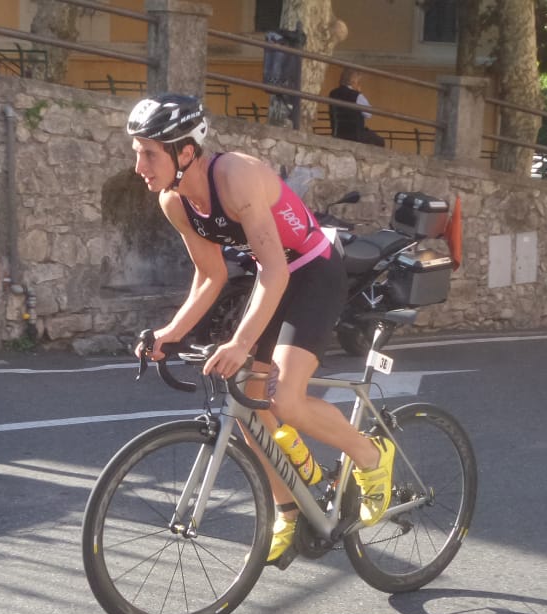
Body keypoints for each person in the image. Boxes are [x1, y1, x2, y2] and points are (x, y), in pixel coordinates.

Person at [126, 94, 394, 564]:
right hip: (273, 279)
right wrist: (170, 333)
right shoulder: (175, 202)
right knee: (252, 406)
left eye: (149, 153)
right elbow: (211, 276)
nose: (139, 166)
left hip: (313, 272)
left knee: (284, 399)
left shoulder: (236, 176)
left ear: (185, 152)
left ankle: (371, 455)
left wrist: (240, 342)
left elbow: (276, 269)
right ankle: (288, 509)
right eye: (137, 152)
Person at [327, 69, 385, 147]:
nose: (359, 83)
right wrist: (359, 92)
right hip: (356, 135)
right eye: (358, 81)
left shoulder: (332, 93)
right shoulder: (357, 95)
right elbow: (369, 114)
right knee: (380, 141)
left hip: (338, 133)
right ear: (353, 81)